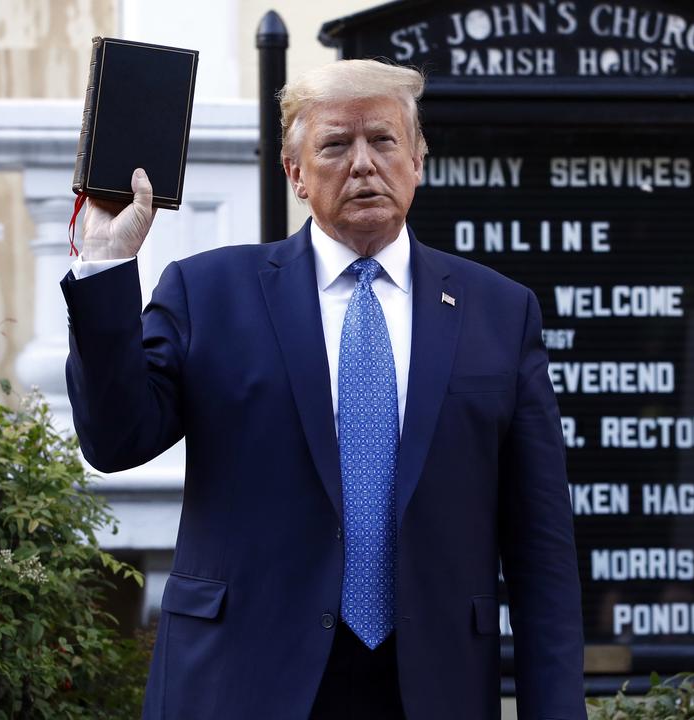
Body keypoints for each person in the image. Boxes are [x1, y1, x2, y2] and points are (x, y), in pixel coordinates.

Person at [60, 59, 586, 720]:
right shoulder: (210, 294)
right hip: (241, 684)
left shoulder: (500, 314)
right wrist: (107, 266)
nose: (363, 163)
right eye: (336, 145)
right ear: (295, 173)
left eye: (384, 141)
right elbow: (114, 439)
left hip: (431, 688)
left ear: (418, 159)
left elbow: (541, 553)